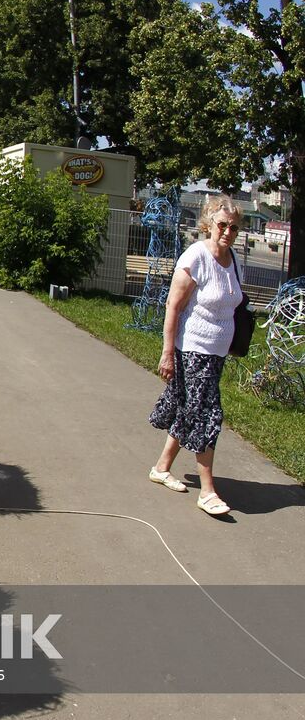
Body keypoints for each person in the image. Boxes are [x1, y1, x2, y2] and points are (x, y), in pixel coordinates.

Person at [147, 194, 244, 517]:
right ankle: (207, 490)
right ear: (208, 224)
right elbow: (173, 306)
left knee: (188, 408)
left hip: (217, 354)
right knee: (207, 414)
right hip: (193, 350)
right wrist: (167, 353)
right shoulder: (196, 256)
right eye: (222, 225)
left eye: (234, 227)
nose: (228, 232)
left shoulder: (234, 259)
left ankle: (161, 468)